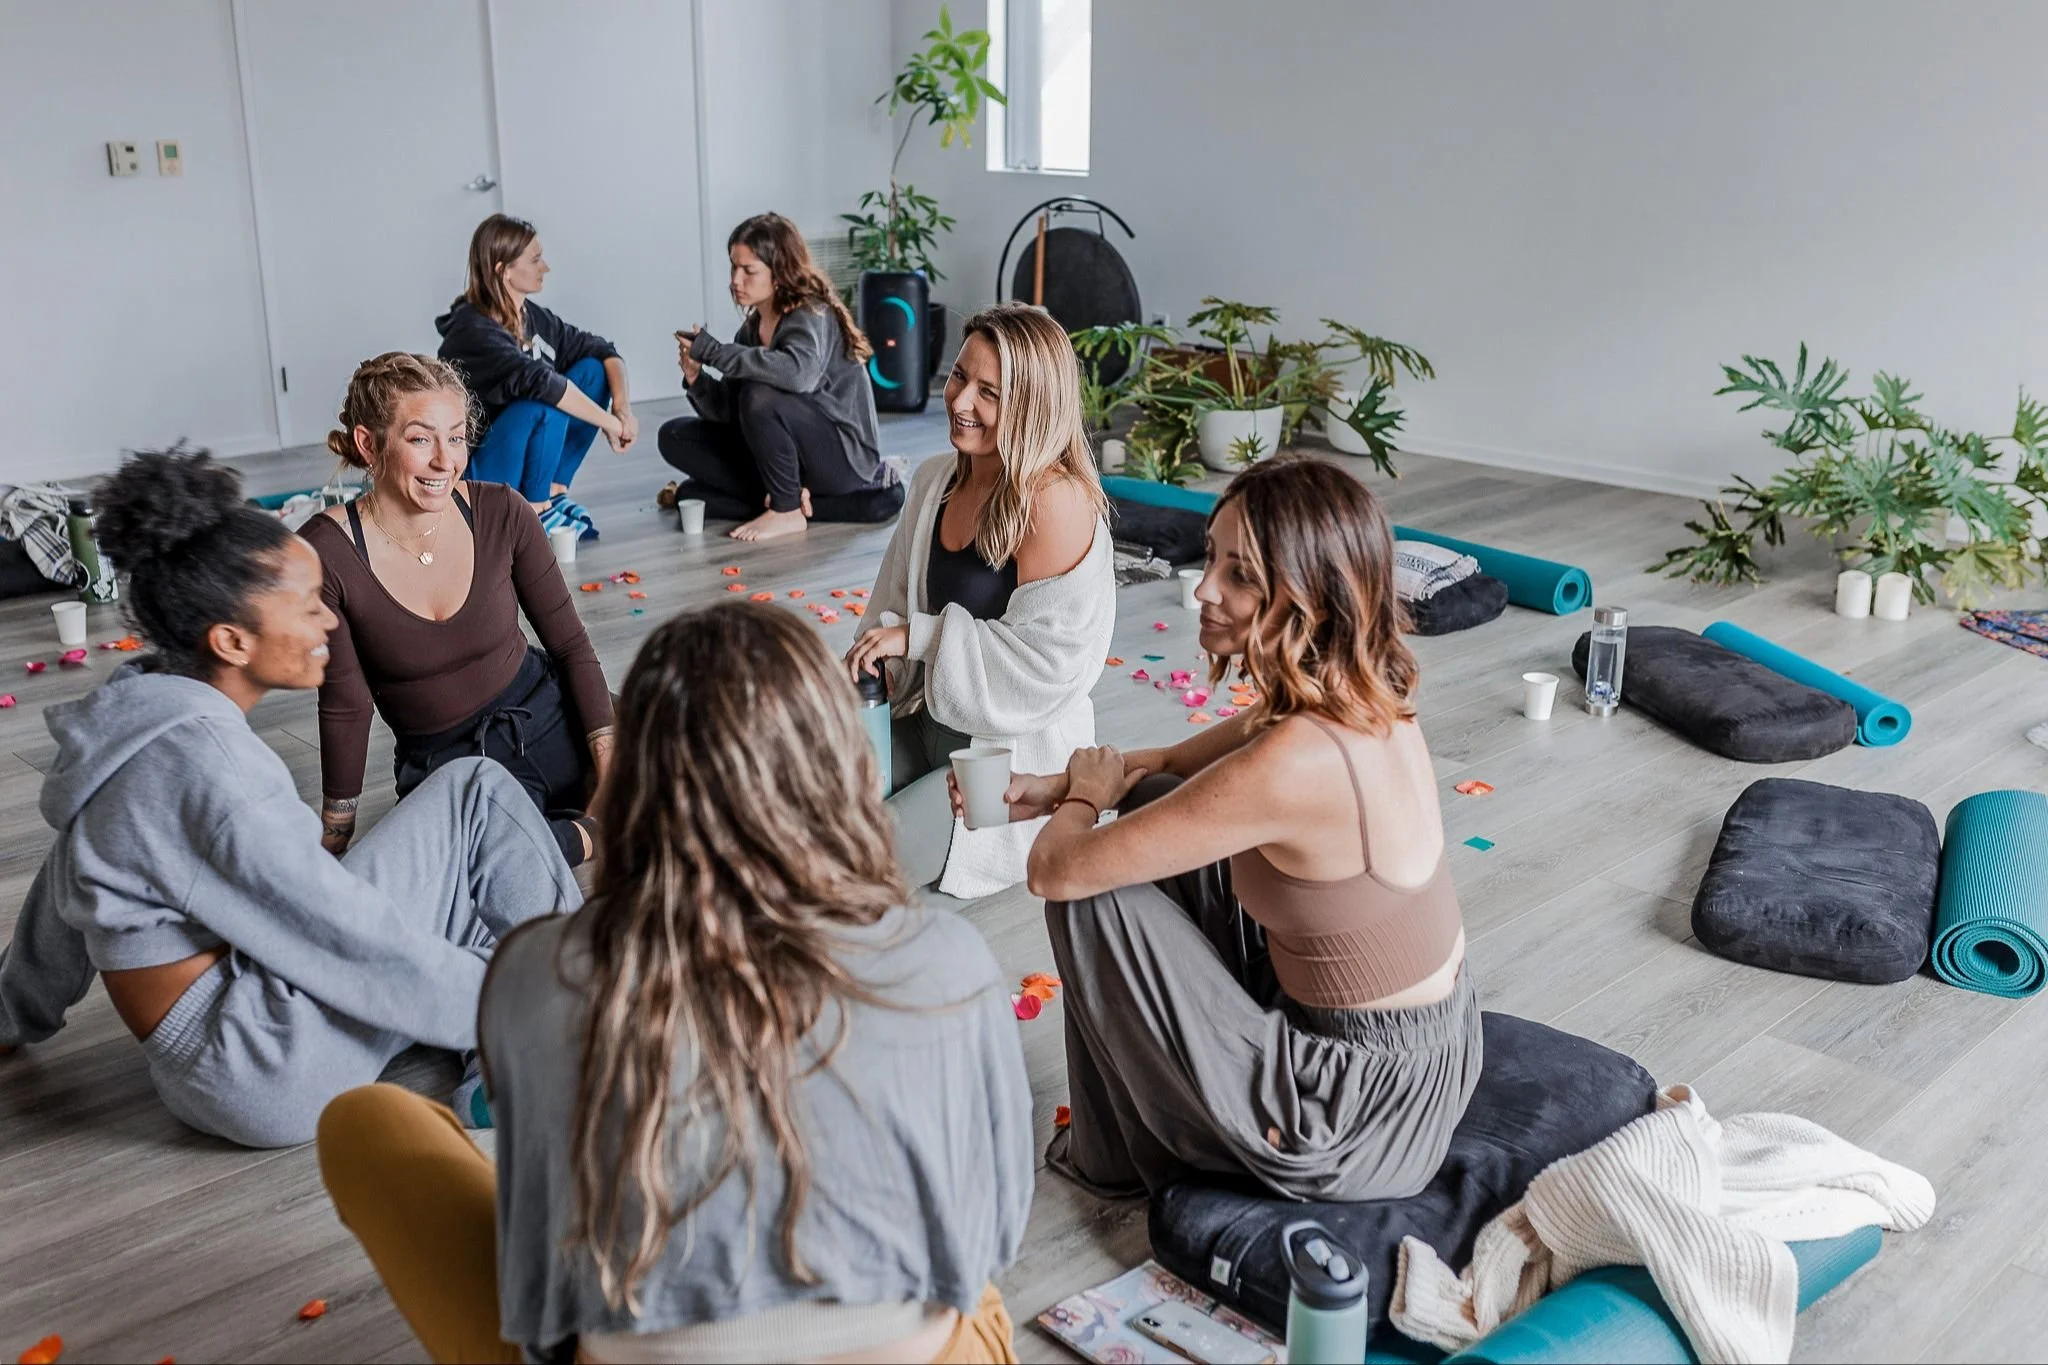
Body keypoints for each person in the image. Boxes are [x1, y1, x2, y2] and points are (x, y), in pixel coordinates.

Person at [317, 602, 1033, 1365]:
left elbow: (544, 1305)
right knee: (960, 1257)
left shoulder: (533, 971)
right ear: (840, 768)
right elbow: (992, 1235)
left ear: (636, 777)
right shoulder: (948, 958)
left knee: (365, 1125)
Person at [0, 449, 578, 1148]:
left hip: (209, 1067)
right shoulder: (213, 767)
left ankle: (511, 1049)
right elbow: (350, 938)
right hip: (269, 1061)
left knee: (469, 842)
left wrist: (12, 1013)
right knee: (480, 794)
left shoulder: (132, 725)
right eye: (308, 608)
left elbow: (66, 886)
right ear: (233, 640)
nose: (329, 623)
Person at [999, 457, 1483, 1202]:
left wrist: (1081, 808)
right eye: (1213, 556)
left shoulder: (1297, 761)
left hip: (1351, 1113)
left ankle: (1112, 1160)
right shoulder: (1351, 689)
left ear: (1309, 596)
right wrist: (1068, 785)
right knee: (1159, 794)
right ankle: (1125, 1137)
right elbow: (1164, 763)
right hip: (1428, 1056)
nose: (1203, 588)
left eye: (1239, 575)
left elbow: (1053, 870)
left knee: (1090, 892)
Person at [302, 353, 614, 869]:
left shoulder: (502, 510)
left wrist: (610, 761)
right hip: (451, 768)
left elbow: (570, 645)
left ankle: (585, 827)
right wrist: (336, 833)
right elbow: (346, 703)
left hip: (552, 719)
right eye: (421, 439)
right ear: (369, 443)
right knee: (474, 864)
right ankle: (592, 835)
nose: (445, 461)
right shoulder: (327, 551)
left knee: (689, 755)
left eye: (456, 437)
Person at [844, 304, 1114, 900]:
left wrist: (920, 638)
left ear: (1032, 404)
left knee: (848, 861)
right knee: (800, 795)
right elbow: (893, 600)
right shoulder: (935, 480)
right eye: (959, 377)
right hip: (928, 717)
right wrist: (877, 662)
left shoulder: (1056, 503)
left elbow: (1047, 668)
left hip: (1005, 766)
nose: (960, 401)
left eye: (989, 391)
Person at [659, 212, 905, 541]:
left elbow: (798, 375)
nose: (735, 280)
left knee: (760, 394)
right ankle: (790, 496)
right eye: (734, 267)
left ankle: (787, 508)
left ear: (779, 273)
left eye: (749, 270)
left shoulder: (810, 313)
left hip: (843, 459)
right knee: (674, 437)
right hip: (792, 456)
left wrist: (717, 353)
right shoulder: (750, 330)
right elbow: (732, 414)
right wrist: (696, 379)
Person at [437, 213, 636, 540]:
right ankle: (535, 511)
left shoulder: (532, 316)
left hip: (517, 449)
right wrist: (610, 425)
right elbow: (542, 383)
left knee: (591, 371)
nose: (546, 267)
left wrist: (622, 410)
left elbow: (603, 349)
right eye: (536, 259)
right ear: (504, 271)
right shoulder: (472, 330)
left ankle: (554, 494)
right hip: (479, 468)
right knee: (544, 403)